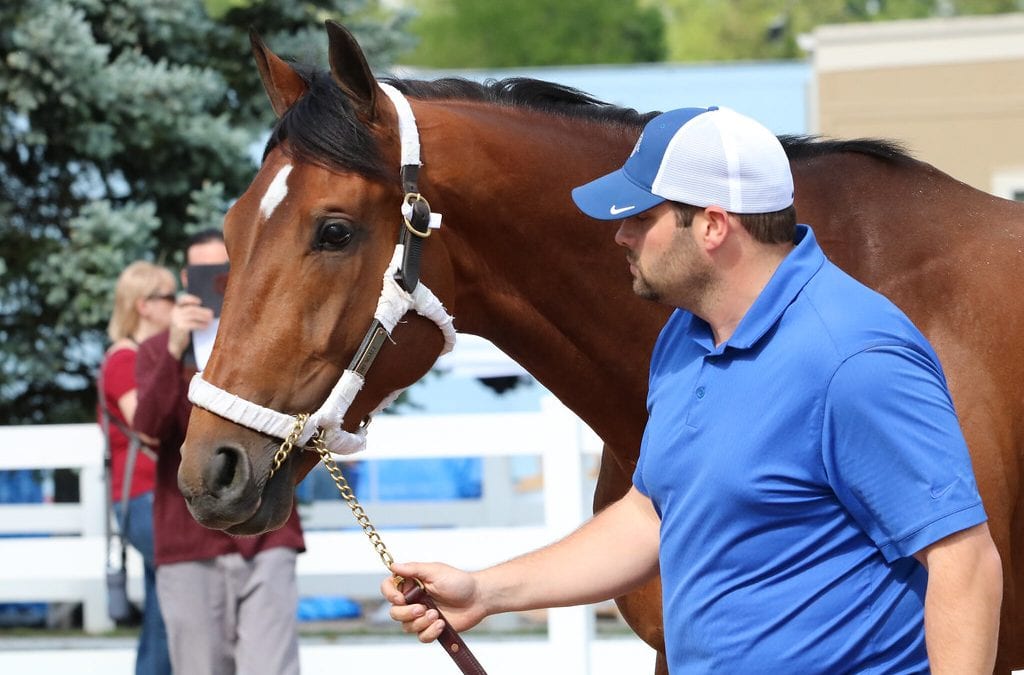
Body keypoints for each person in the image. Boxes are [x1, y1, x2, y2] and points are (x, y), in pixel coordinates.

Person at [381, 107, 1003, 672]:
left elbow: (962, 562)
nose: (620, 236)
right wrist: (484, 591)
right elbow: (652, 514)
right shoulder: (685, 338)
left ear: (711, 226)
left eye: (642, 219)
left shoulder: (853, 354)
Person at [133, 229, 306, 675]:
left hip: (266, 532)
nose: (215, 283)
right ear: (188, 278)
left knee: (272, 667)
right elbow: (149, 429)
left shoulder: (268, 343)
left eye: (224, 272)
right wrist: (174, 349)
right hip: (188, 541)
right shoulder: (157, 350)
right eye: (204, 274)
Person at [98, 260, 175, 675]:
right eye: (168, 297)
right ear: (144, 305)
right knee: (171, 606)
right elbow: (146, 427)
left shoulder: (144, 357)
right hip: (145, 496)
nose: (177, 304)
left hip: (149, 498)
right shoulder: (124, 360)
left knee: (162, 607)